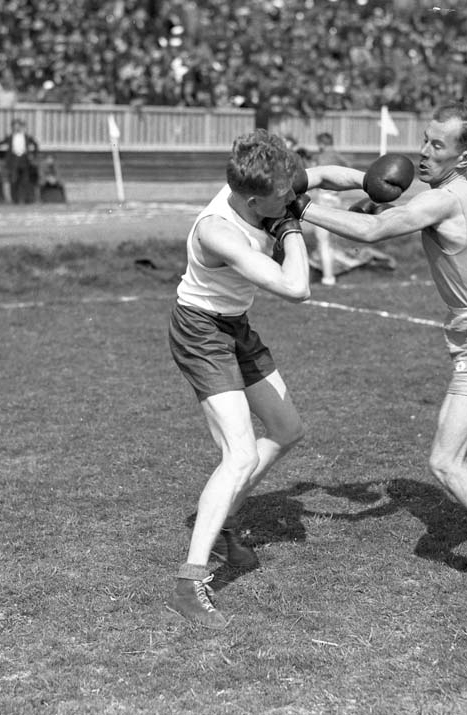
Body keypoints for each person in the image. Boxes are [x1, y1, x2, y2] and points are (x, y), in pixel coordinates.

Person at [298, 101, 467, 600]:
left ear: (463, 157)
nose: (424, 151)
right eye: (425, 139)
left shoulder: (443, 200)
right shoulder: (463, 185)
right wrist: (317, 181)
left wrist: (299, 208)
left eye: (438, 145)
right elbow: (374, 185)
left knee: (445, 461)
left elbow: (374, 230)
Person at [165, 129, 314, 629]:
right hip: (200, 329)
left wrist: (377, 182)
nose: (291, 199)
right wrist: (293, 229)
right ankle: (190, 582)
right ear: (255, 200)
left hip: (235, 325)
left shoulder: (271, 188)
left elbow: (332, 177)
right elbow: (297, 287)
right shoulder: (218, 230)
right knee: (241, 453)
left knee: (288, 430)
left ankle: (225, 524)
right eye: (283, 199)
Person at [309, 131, 349, 286]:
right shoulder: (338, 156)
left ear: (322, 143)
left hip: (324, 200)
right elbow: (348, 169)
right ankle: (330, 273)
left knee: (323, 241)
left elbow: (313, 176)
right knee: (331, 242)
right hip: (336, 200)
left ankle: (327, 277)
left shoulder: (321, 157)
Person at [0, 119, 39, 204]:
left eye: (18, 125)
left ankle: (25, 199)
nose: (16, 128)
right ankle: (14, 199)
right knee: (14, 180)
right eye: (15, 126)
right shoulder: (10, 137)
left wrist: (33, 155)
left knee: (25, 180)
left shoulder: (26, 137)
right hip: (13, 161)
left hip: (24, 160)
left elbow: (35, 145)